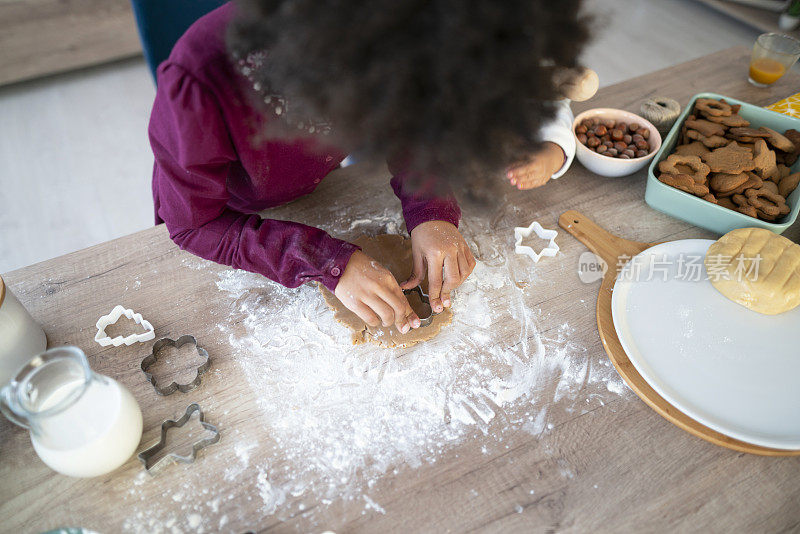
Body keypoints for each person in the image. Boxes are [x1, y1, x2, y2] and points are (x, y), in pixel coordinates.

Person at [149, 0, 589, 335]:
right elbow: (193, 224)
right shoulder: (200, 82)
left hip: (324, 185)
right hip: (236, 211)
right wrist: (322, 260)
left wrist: (431, 207)